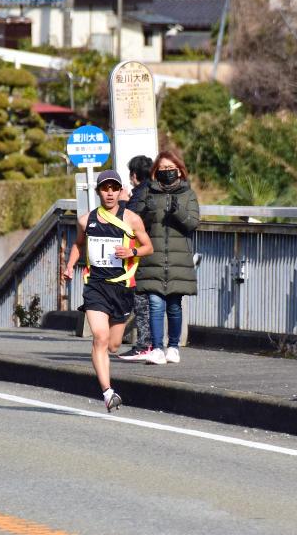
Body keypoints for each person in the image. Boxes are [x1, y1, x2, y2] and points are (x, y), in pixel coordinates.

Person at [63, 169, 153, 411]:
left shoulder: (131, 219)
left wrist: (132, 252)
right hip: (96, 287)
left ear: (120, 190)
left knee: (113, 345)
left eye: (114, 188)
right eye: (105, 188)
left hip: (122, 288)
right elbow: (78, 244)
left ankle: (107, 384)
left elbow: (148, 247)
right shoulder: (85, 220)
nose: (110, 193)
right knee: (100, 338)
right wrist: (70, 265)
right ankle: (107, 392)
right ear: (98, 191)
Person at [137, 151, 200, 365]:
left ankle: (173, 346)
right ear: (155, 172)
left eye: (170, 168)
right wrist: (148, 213)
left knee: (174, 305)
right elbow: (135, 222)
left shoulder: (188, 195)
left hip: (177, 260)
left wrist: (178, 211)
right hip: (152, 258)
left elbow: (192, 223)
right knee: (155, 303)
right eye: (162, 169)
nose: (166, 172)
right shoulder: (148, 193)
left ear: (179, 170)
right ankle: (157, 348)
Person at [117, 155, 155, 362]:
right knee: (153, 303)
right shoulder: (154, 191)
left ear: (133, 175)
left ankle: (144, 345)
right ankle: (152, 345)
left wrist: (123, 202)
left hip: (141, 255)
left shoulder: (140, 195)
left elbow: (126, 222)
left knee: (141, 301)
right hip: (154, 253)